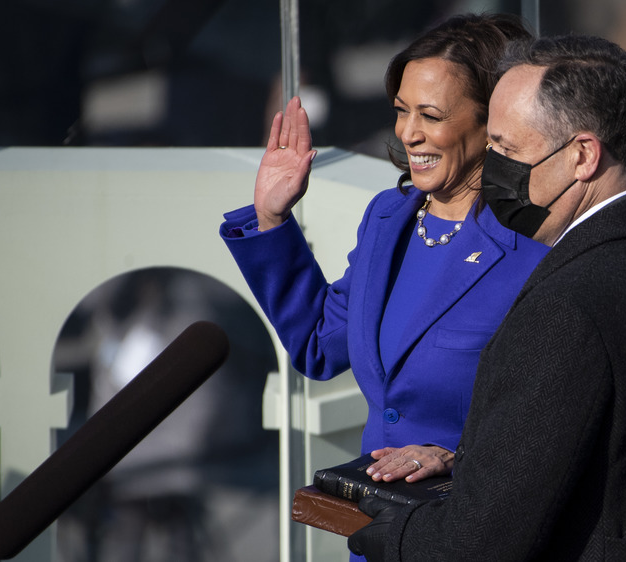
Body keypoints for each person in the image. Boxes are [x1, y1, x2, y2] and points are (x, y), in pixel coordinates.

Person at [348, 34, 626, 561]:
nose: (491, 170)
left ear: (583, 155)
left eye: (508, 151)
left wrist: (387, 532)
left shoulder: (567, 304)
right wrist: (462, 458)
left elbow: (480, 545)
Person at [219, 14, 546, 485]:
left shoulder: (534, 242)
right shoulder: (389, 218)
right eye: (401, 110)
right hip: (379, 531)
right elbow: (319, 346)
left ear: (493, 123)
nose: (408, 133)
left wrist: (454, 453)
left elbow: (555, 407)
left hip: (477, 523)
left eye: (430, 115)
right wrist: (272, 219)